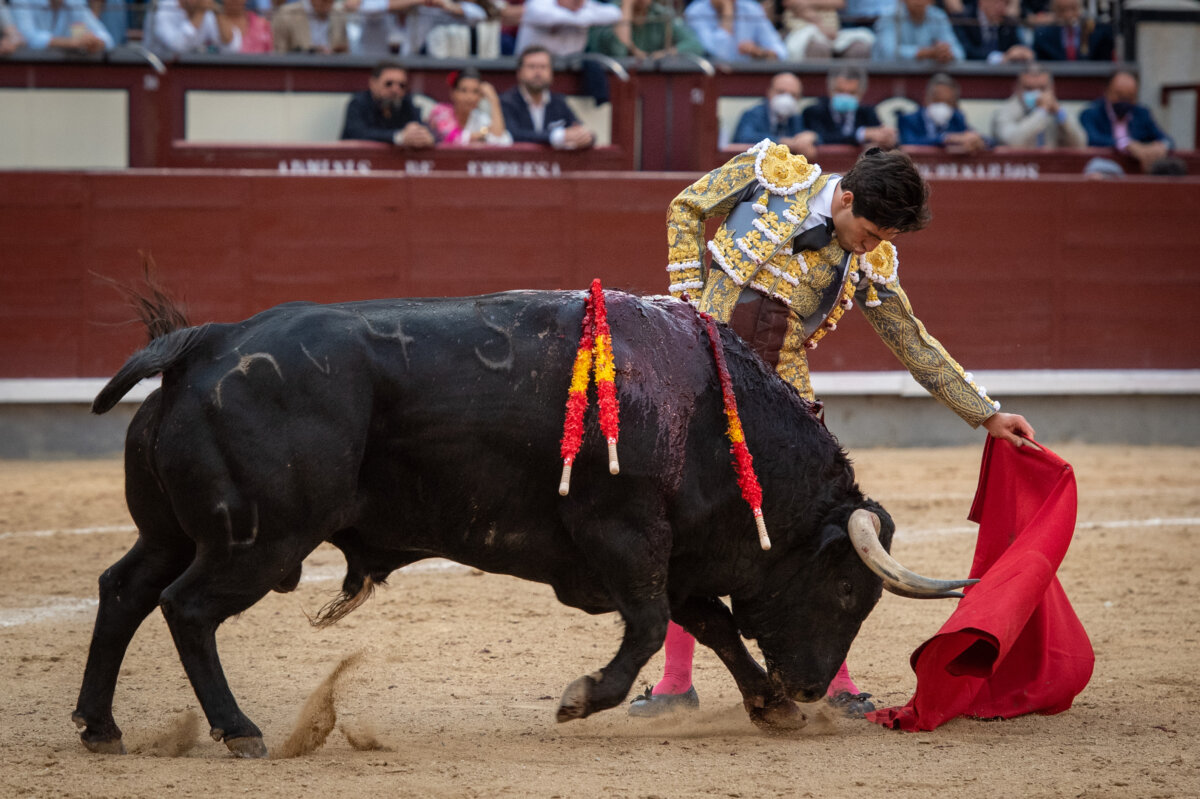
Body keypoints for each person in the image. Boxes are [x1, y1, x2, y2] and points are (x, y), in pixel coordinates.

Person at [633, 142, 1034, 719]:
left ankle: (838, 680)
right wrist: (686, 300)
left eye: (883, 241)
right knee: (684, 516)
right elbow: (686, 208)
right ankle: (674, 682)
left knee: (811, 529)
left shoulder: (869, 260)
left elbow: (910, 340)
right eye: (869, 232)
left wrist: (986, 412)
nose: (871, 247)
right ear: (845, 196)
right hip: (702, 370)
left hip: (782, 396)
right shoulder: (770, 174)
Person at [499, 45, 597, 150]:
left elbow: (578, 127)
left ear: (551, 73)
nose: (538, 72)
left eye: (543, 67)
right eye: (532, 67)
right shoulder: (507, 101)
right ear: (519, 73)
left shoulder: (559, 102)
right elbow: (512, 134)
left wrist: (586, 137)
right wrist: (557, 137)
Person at [1079, 70, 1173, 174]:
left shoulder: (1142, 114)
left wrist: (1160, 147)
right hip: (1103, 172)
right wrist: (1127, 144)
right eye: (1119, 95)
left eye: (1130, 97)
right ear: (1107, 92)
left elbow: (1167, 140)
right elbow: (1092, 139)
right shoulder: (1091, 113)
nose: (1124, 101)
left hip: (1139, 173)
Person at [340, 60, 435, 148]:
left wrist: (425, 137)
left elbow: (423, 129)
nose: (395, 90)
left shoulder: (406, 103)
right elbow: (358, 134)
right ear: (373, 83)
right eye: (389, 84)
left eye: (402, 85)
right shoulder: (358, 103)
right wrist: (399, 137)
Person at [801, 65, 897, 149]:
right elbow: (823, 137)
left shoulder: (868, 113)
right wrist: (862, 134)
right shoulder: (814, 112)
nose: (845, 96)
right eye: (840, 91)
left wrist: (887, 138)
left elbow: (883, 139)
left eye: (852, 93)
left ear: (861, 93)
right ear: (830, 90)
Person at [991, 62, 1085, 148]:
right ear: (1016, 88)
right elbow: (1013, 142)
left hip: (1053, 165)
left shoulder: (1059, 110)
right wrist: (1041, 111)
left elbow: (1080, 143)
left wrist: (1060, 114)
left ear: (1052, 89)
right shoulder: (1003, 112)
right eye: (1029, 89)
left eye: (1042, 89)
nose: (1036, 94)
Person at [730, 72, 818, 161]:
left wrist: (813, 137)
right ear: (769, 92)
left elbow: (819, 137)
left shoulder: (795, 118)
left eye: (793, 95)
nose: (787, 98)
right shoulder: (753, 114)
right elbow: (744, 138)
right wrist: (782, 142)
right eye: (781, 92)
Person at [897, 72, 989, 153]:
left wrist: (978, 140)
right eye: (937, 100)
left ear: (955, 105)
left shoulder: (957, 118)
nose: (942, 106)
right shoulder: (908, 120)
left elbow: (990, 141)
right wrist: (946, 139)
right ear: (926, 98)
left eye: (948, 102)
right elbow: (908, 143)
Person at [586, 0, 705, 60]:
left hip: (651, 84)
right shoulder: (608, 12)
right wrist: (627, 5)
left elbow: (695, 46)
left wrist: (665, 54)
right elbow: (619, 51)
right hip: (613, 86)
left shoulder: (660, 13)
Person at [428, 67, 514, 146]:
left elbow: (500, 138)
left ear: (480, 96)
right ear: (453, 93)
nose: (469, 97)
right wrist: (484, 134)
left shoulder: (479, 117)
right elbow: (453, 137)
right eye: (464, 90)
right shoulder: (440, 111)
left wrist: (494, 100)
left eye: (475, 92)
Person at [683, 0, 787, 63]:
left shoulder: (751, 9)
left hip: (747, 76)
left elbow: (781, 51)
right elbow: (717, 55)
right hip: (713, 79)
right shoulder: (694, 12)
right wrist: (727, 10)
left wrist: (760, 52)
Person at [514, 0, 621, 56]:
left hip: (570, 67)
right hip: (533, 66)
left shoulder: (584, 6)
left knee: (592, 65)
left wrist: (579, 17)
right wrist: (583, 18)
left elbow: (615, 14)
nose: (577, 1)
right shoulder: (539, 3)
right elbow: (545, 15)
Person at [871, 0, 962, 63]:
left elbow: (959, 54)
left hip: (927, 79)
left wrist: (946, 54)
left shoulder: (938, 16)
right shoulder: (889, 16)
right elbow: (888, 54)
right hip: (888, 79)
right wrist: (927, 53)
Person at [780, 0, 874, 60]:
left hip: (833, 31)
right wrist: (819, 24)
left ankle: (848, 89)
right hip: (801, 29)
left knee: (860, 48)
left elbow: (840, 2)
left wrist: (808, 3)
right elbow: (791, 2)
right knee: (818, 49)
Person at [10, 0, 112, 54]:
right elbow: (27, 37)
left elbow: (107, 39)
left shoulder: (75, 2)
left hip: (66, 71)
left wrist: (96, 42)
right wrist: (71, 43)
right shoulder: (22, 1)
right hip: (29, 70)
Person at [148, 0, 240, 56]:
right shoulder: (162, 10)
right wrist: (199, 13)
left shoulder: (207, 13)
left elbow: (232, 48)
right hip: (155, 72)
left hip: (191, 75)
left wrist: (218, 12)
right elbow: (177, 47)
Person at [952, 0, 1032, 63]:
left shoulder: (1008, 22)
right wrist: (1000, 57)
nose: (1002, 9)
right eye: (997, 2)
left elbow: (1018, 45)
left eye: (1006, 3)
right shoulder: (963, 19)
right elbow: (966, 51)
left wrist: (1021, 52)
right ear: (982, 2)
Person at [1032, 0, 1112, 61]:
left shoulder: (1097, 32)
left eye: (1073, 9)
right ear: (1054, 11)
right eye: (1062, 10)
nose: (1068, 15)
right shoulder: (1044, 36)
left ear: (1081, 8)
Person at [272, 0, 349, 53]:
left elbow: (346, 53)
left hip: (332, 72)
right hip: (299, 72)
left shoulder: (339, 15)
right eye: (324, 0)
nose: (329, 3)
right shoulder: (286, 14)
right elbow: (279, 53)